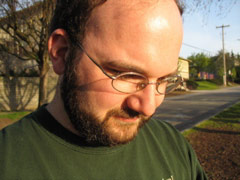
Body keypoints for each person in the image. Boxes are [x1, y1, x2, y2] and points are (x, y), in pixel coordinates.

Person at [0, 0, 208, 179]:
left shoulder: (173, 147)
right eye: (125, 74)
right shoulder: (8, 165)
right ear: (62, 53)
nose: (149, 107)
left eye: (164, 80)